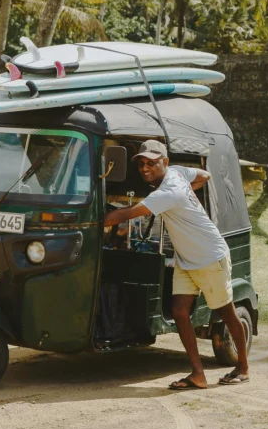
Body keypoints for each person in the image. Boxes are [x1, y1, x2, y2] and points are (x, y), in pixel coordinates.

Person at [104, 139, 249, 391]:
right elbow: (204, 175)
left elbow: (127, 214)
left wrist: (90, 220)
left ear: (165, 162)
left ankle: (243, 368)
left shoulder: (168, 191)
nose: (145, 169)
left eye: (152, 163)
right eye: (142, 164)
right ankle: (197, 374)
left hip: (209, 257)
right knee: (180, 312)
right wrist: (189, 192)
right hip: (186, 258)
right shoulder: (179, 173)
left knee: (226, 313)